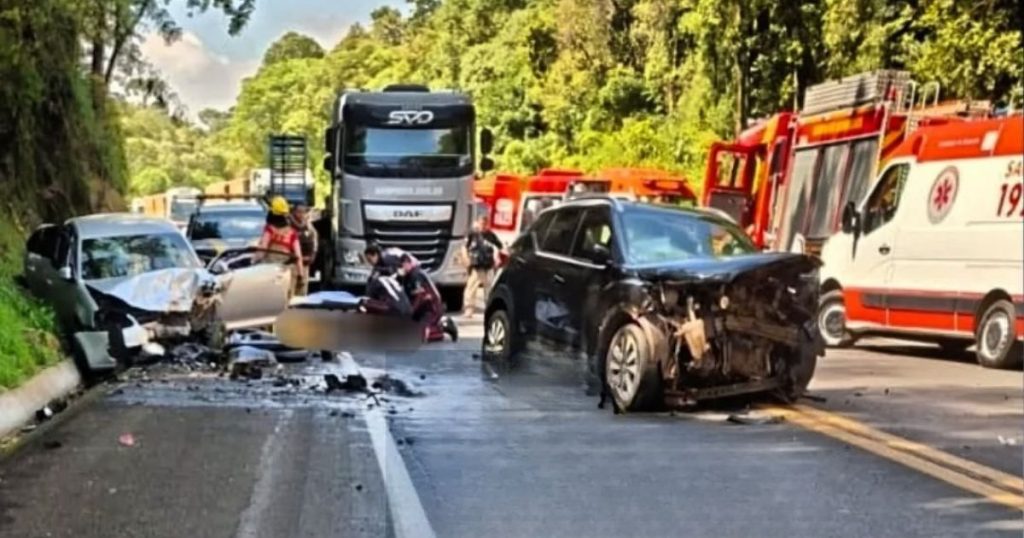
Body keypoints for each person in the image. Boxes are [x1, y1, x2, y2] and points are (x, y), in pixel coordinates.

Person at [256, 196, 303, 293]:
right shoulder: (292, 233)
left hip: (270, 271)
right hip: (287, 271)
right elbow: (298, 256)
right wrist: (300, 275)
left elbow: (263, 249)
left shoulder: (269, 230)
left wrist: (253, 261)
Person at [461, 215, 504, 318]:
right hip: (476, 266)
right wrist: (465, 258)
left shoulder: (491, 236)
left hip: (488, 266)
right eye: (481, 223)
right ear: (478, 223)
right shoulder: (472, 235)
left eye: (485, 223)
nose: (483, 225)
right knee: (471, 289)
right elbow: (464, 247)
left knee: (489, 290)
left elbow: (500, 247)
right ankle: (469, 309)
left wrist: (499, 259)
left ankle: (489, 309)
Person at [290, 201, 318, 296]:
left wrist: (313, 254)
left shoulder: (309, 226)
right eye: (299, 211)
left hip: (305, 263)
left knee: (302, 290)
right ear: (293, 212)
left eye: (303, 212)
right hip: (291, 264)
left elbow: (314, 241)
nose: (301, 214)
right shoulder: (288, 226)